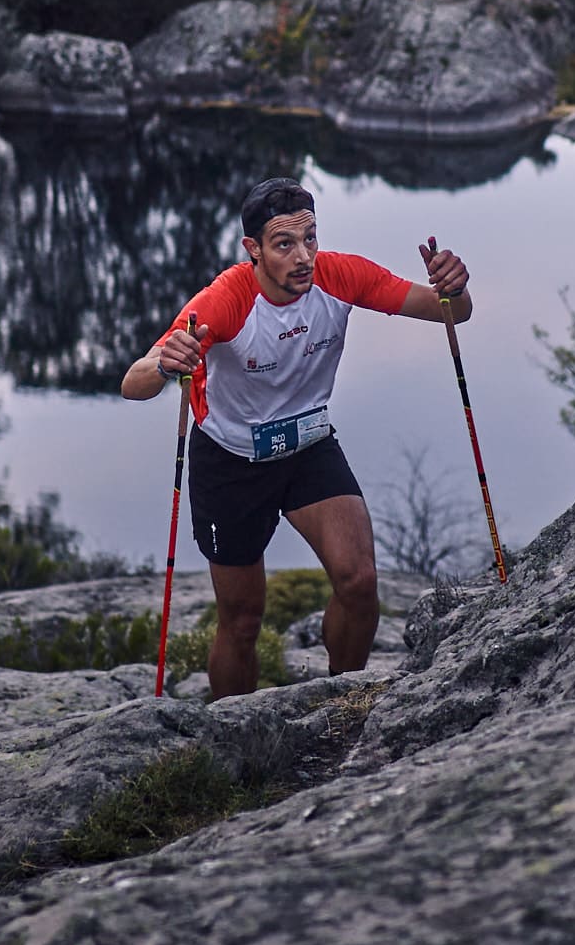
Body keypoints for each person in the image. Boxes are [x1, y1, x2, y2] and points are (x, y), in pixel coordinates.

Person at [121, 177, 472, 697]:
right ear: (254, 250)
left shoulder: (341, 275)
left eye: (311, 237)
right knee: (242, 621)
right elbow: (135, 382)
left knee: (360, 583)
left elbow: (452, 314)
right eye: (285, 244)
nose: (304, 255)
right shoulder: (226, 299)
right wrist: (166, 363)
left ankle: (341, 700)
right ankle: (232, 729)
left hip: (308, 445)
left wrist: (454, 288)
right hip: (231, 459)